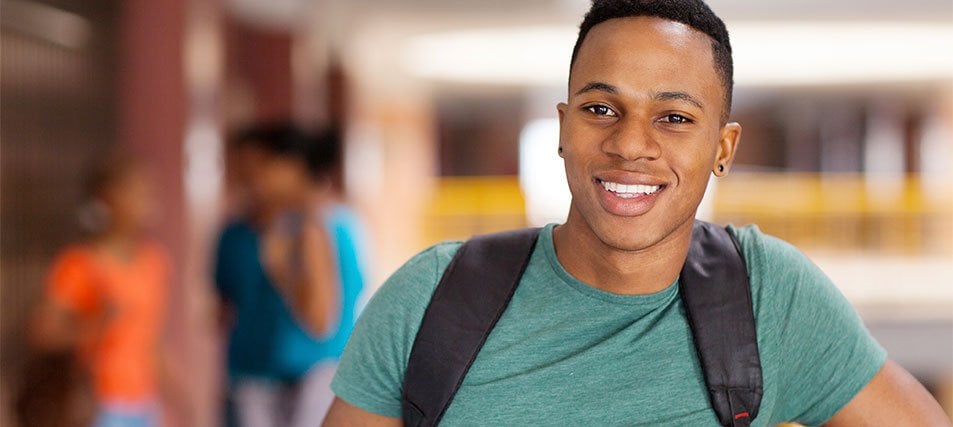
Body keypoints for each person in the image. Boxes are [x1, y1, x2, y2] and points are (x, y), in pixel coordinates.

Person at [322, 1, 951, 426]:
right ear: (563, 128)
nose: (630, 144)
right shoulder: (432, 297)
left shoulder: (770, 298)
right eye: (600, 109)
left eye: (674, 118)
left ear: (722, 149)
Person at [215, 123, 366, 427]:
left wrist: (282, 269)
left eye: (260, 167)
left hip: (315, 380)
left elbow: (320, 320)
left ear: (293, 167)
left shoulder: (321, 227)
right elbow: (224, 307)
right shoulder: (238, 233)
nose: (250, 179)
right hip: (254, 379)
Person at [27, 153, 184, 427]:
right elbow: (43, 333)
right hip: (97, 401)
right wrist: (95, 323)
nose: (147, 202)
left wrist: (179, 396)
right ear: (107, 197)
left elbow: (152, 341)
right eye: (136, 192)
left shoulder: (155, 262)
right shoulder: (80, 264)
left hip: (145, 402)